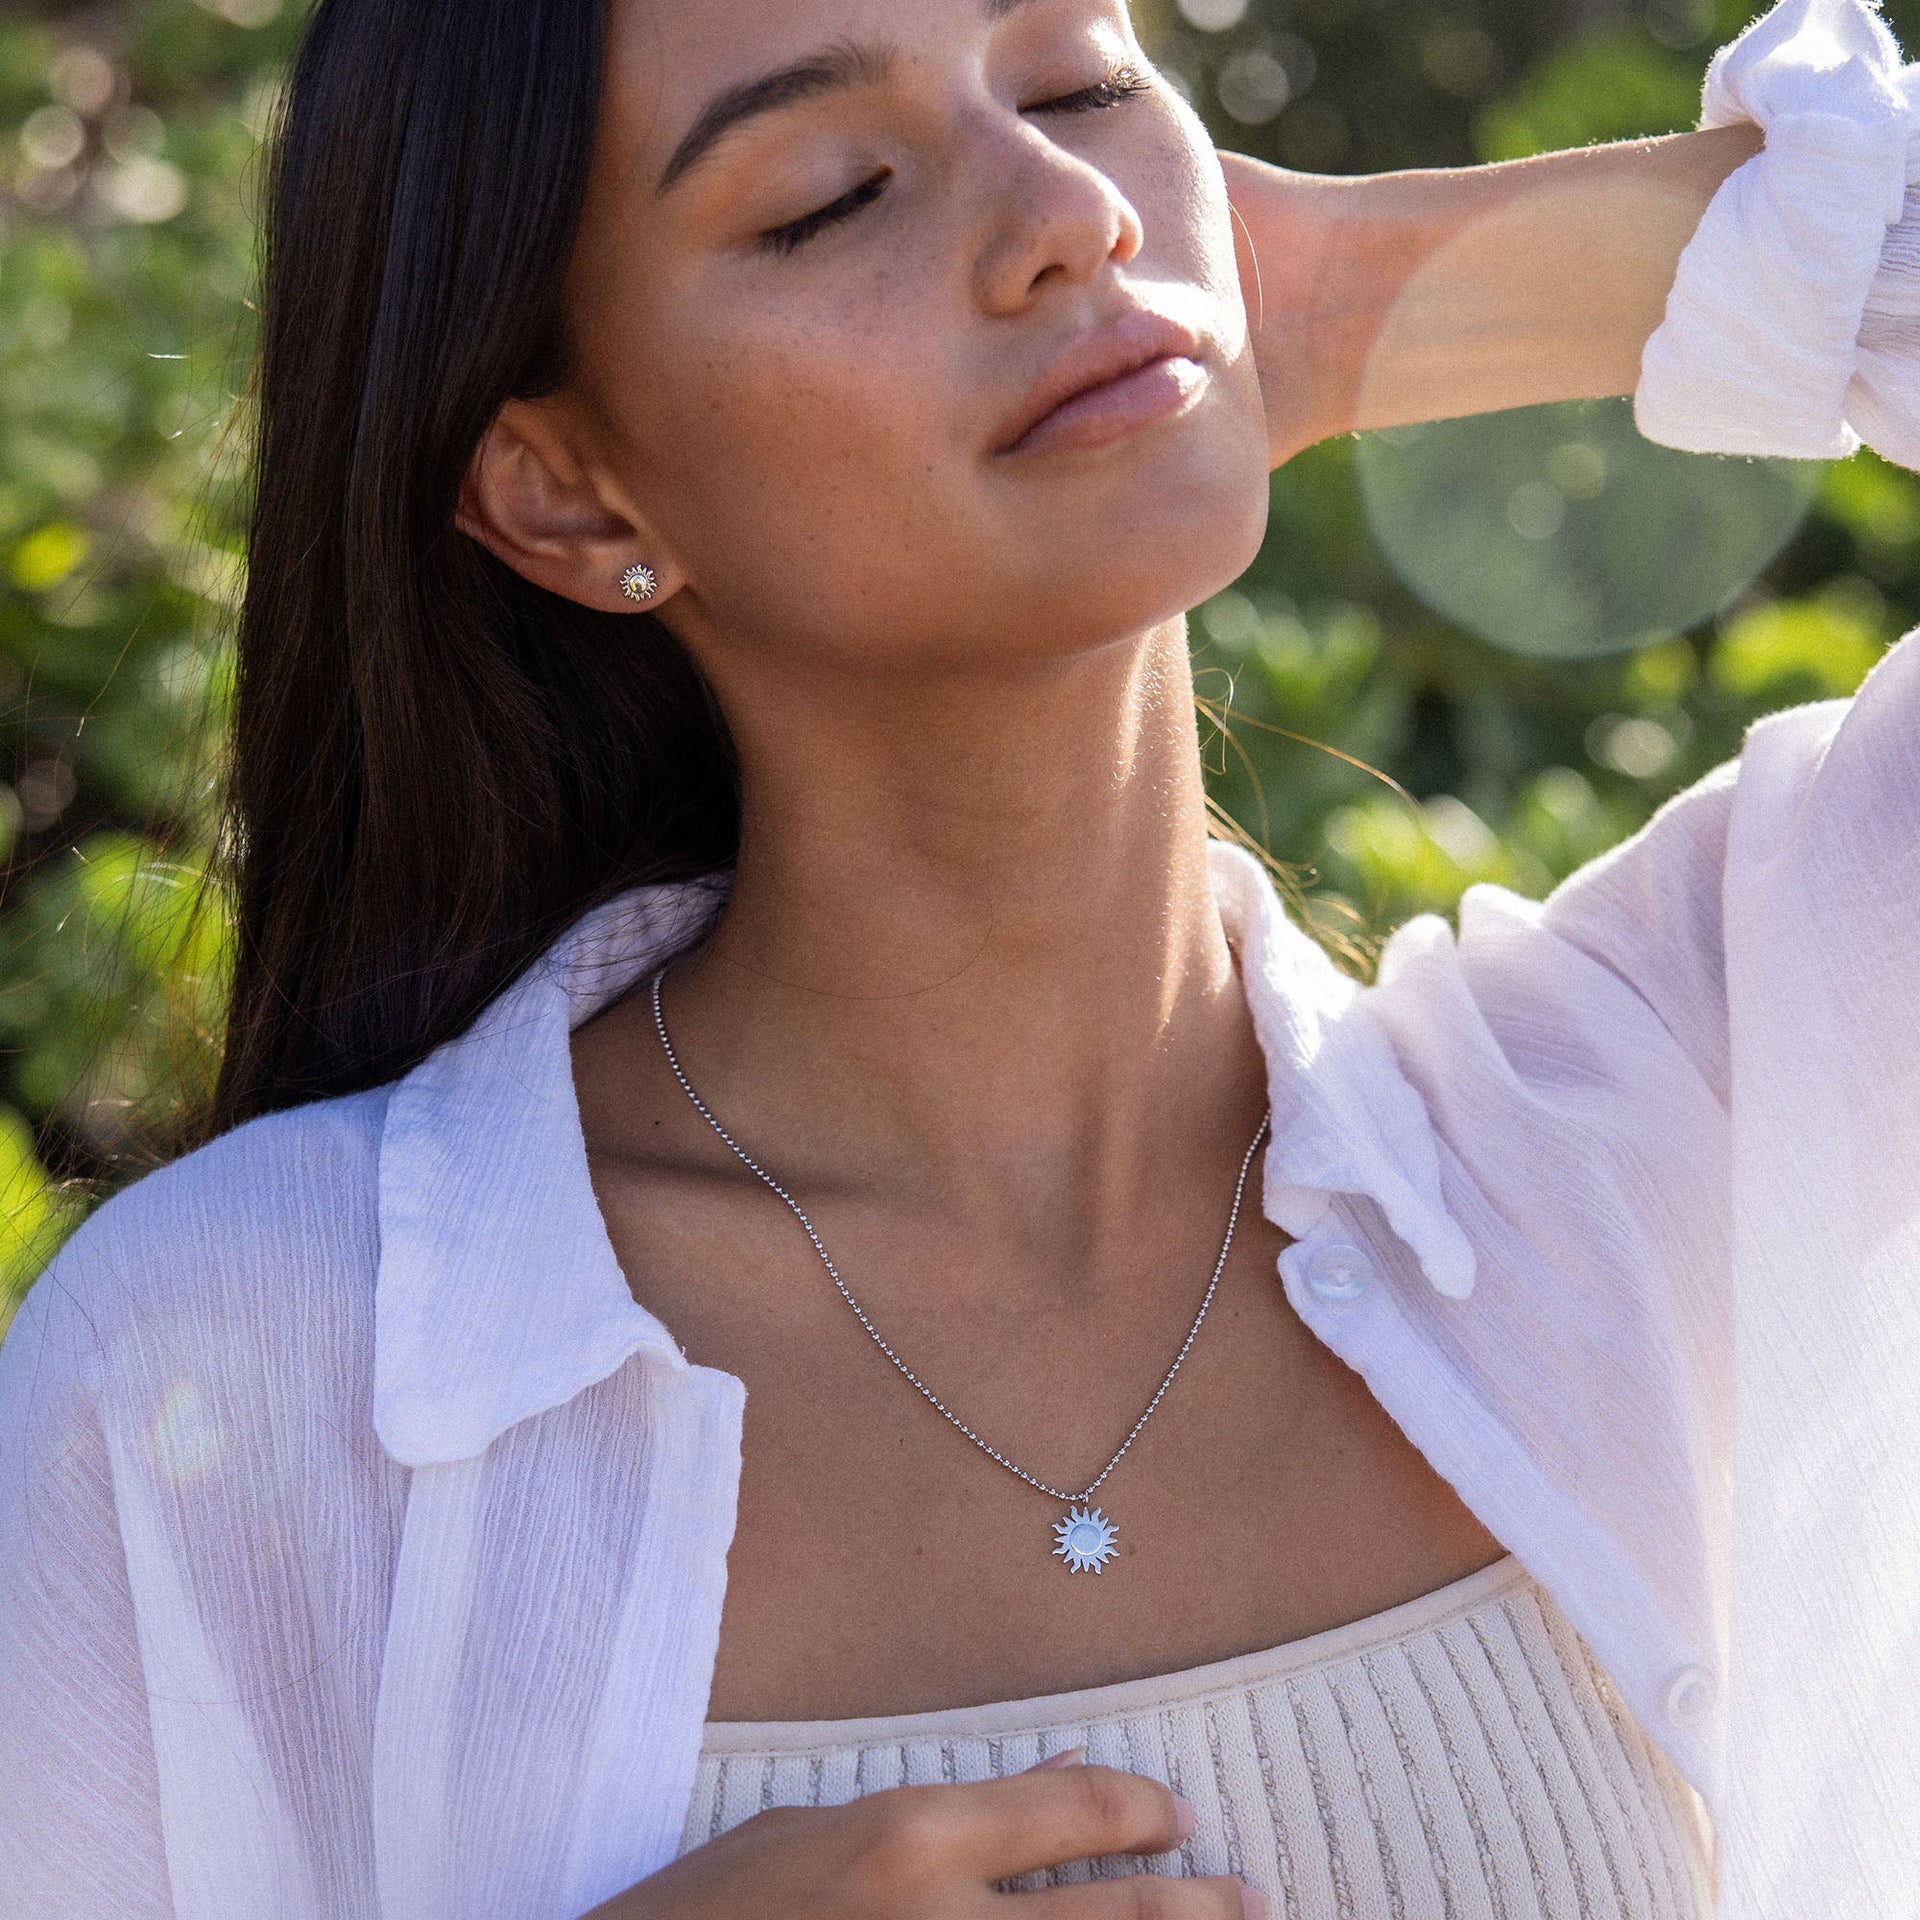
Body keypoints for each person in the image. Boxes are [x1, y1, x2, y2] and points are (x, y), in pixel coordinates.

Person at [0, 0, 1915, 1913]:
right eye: (834, 197)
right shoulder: (238, 1372)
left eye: (1083, 80)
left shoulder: (1680, 1098)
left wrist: (1433, 289)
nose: (1070, 207)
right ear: (572, 491)